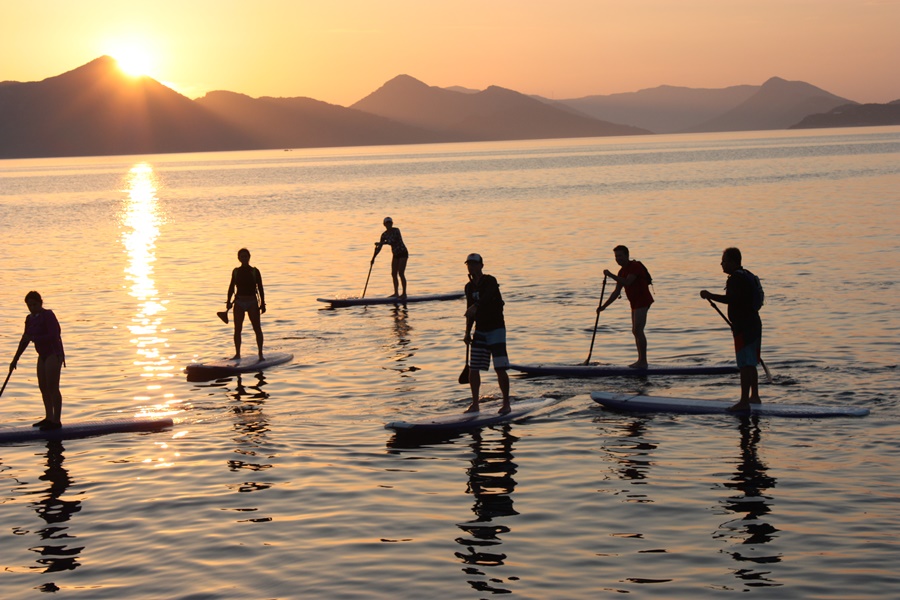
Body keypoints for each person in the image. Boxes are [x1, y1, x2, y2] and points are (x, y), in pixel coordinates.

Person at [700, 247, 762, 411]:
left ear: (733, 262)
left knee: (744, 364)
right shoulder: (746, 274)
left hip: (744, 327)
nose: (721, 263)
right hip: (754, 323)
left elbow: (731, 299)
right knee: (751, 363)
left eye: (724, 260)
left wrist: (710, 295)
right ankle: (754, 396)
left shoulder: (735, 279)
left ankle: (744, 401)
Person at [10, 291, 65, 429]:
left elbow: (54, 335)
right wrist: (15, 359)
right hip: (42, 355)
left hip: (54, 353)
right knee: (43, 387)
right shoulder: (29, 319)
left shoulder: (48, 315)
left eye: (34, 304)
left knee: (53, 387)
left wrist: (34, 338)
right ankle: (49, 417)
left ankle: (56, 421)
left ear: (40, 303)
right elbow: (24, 340)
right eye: (29, 305)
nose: (32, 308)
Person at [463, 253, 511, 414]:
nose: (471, 267)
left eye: (474, 264)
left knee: (499, 368)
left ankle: (506, 404)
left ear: (481, 266)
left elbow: (487, 296)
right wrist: (467, 333)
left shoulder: (490, 280)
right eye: (469, 264)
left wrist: (476, 306)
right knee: (473, 368)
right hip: (480, 330)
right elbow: (469, 312)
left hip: (496, 328)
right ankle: (475, 404)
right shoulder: (469, 287)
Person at [597, 245, 653, 368]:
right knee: (635, 331)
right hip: (634, 303)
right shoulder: (622, 271)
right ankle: (641, 360)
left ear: (627, 256)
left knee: (638, 330)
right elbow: (617, 291)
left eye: (620, 256)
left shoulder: (634, 266)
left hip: (643, 300)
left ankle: (643, 362)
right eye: (616, 256)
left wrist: (610, 275)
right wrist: (603, 306)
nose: (618, 259)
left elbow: (628, 282)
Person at [226, 248, 266, 360]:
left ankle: (260, 354)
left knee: (257, 328)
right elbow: (231, 287)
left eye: (246, 256)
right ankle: (237, 354)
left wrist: (262, 303)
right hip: (239, 302)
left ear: (249, 257)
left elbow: (261, 288)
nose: (244, 258)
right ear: (239, 258)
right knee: (237, 329)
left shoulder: (254, 271)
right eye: (242, 256)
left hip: (252, 302)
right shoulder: (236, 271)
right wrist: (228, 301)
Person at [372, 217, 408, 297]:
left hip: (403, 253)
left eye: (390, 223)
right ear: (384, 224)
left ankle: (404, 293)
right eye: (387, 223)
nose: (389, 224)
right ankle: (396, 293)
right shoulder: (384, 235)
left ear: (392, 223)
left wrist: (381, 243)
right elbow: (379, 248)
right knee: (393, 273)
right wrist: (373, 258)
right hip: (395, 254)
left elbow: (393, 240)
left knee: (401, 273)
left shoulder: (396, 230)